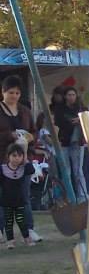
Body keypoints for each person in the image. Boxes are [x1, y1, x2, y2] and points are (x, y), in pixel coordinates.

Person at [0, 76, 39, 244]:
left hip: (23, 159)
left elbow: (34, 131)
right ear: (3, 92)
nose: (14, 95)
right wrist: (10, 135)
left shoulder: (25, 111)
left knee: (24, 195)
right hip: (2, 159)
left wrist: (29, 138)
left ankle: (29, 230)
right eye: (10, 92)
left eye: (17, 92)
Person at [55, 86, 89, 201]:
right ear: (65, 96)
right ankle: (68, 196)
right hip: (64, 141)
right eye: (69, 95)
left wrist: (80, 120)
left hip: (78, 142)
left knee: (78, 170)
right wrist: (70, 122)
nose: (71, 97)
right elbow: (58, 122)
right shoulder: (60, 109)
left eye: (73, 95)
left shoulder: (82, 108)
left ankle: (82, 196)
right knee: (66, 171)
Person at [1, 144, 34, 249]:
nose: (16, 158)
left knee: (22, 220)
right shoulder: (2, 169)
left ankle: (27, 238)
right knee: (8, 221)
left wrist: (26, 160)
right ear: (8, 156)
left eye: (19, 156)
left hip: (19, 200)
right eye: (14, 156)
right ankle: (10, 241)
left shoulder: (23, 168)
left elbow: (31, 170)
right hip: (6, 201)